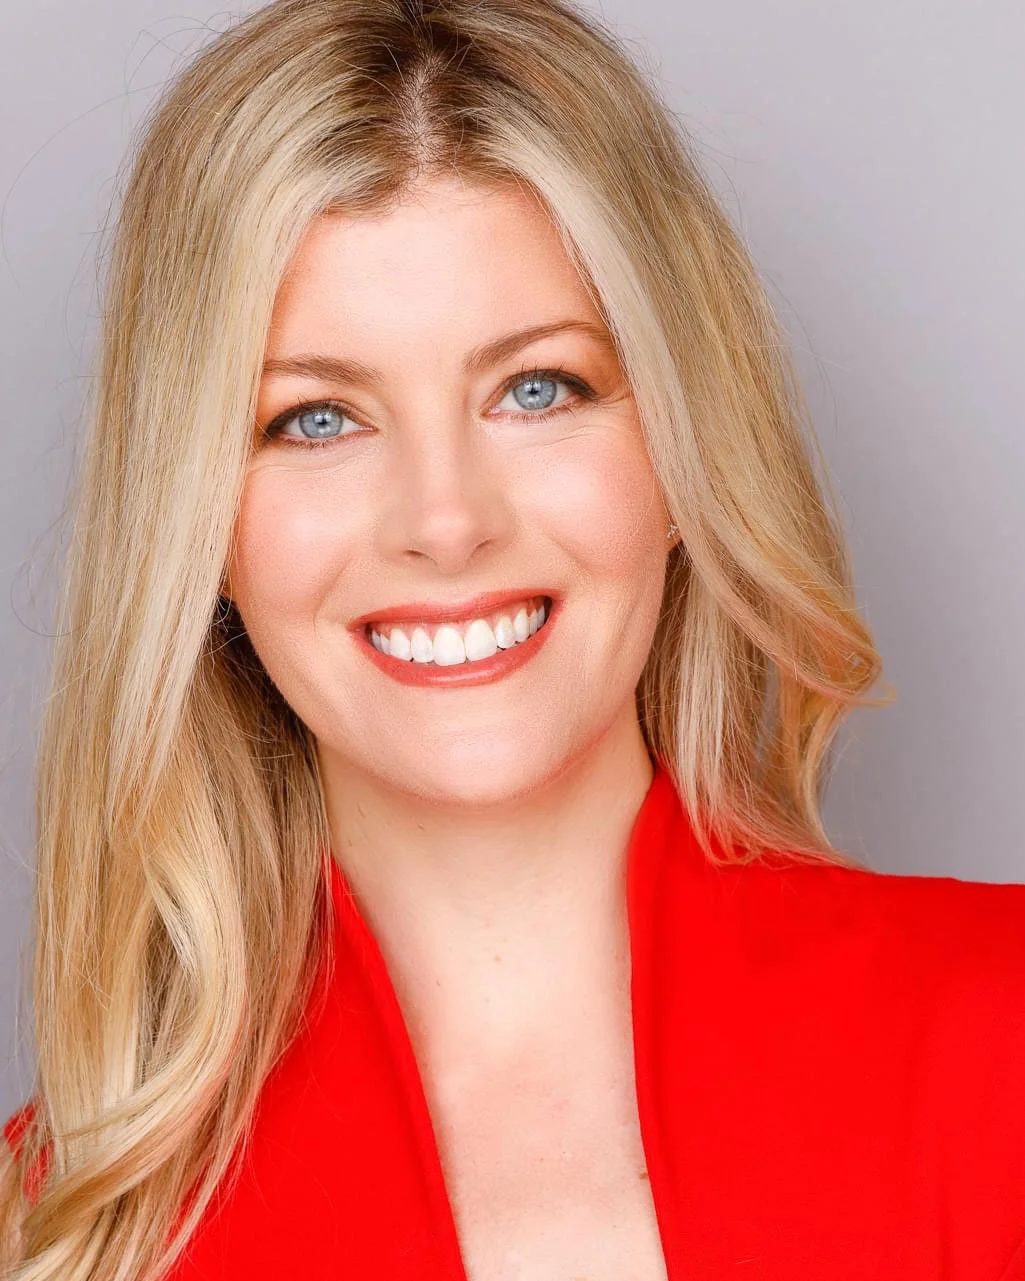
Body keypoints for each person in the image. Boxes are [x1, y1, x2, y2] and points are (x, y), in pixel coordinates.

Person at [3, 0, 1025, 1278]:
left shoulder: (1000, 1048)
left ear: (679, 452)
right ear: (198, 525)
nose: (445, 523)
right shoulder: (60, 1230)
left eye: (536, 390)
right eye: (315, 419)